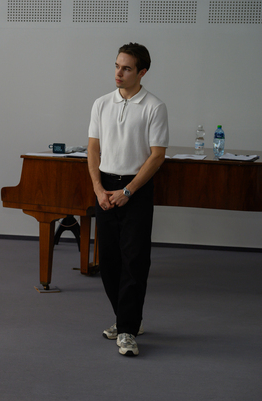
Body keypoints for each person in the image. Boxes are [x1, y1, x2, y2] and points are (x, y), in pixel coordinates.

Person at [87, 43, 169, 356]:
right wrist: (98, 189)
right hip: (105, 187)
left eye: (127, 68)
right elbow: (93, 148)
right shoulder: (101, 104)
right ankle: (127, 319)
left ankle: (126, 330)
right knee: (108, 262)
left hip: (136, 189)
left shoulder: (154, 107)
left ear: (142, 72)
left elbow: (157, 156)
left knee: (134, 260)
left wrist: (128, 191)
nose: (118, 73)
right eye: (117, 66)